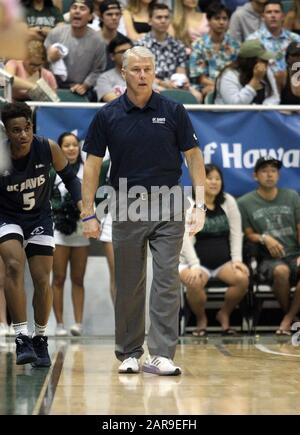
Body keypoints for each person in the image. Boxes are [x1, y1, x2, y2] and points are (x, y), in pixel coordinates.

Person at [81, 46, 206, 375]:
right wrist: (88, 212)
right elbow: (92, 166)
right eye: (135, 69)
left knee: (166, 280)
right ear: (123, 73)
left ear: (154, 72)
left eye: (148, 69)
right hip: (126, 201)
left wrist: (201, 205)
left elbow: (194, 158)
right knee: (129, 282)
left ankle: (163, 353)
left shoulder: (174, 110)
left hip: (169, 201)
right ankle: (129, 354)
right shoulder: (107, 115)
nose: (142, 75)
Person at [0, 102, 82, 366]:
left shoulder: (48, 148)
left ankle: (40, 338)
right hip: (7, 216)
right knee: (13, 265)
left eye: (27, 128)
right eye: (16, 130)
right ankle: (22, 335)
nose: (23, 135)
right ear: (7, 132)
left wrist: (83, 203)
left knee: (41, 279)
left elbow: (70, 177)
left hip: (39, 217)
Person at [179, 164, 249, 336]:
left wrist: (237, 260)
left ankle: (224, 314)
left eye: (217, 179)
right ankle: (201, 318)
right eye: (209, 178)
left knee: (242, 279)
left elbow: (236, 233)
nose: (213, 182)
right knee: (194, 282)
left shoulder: (228, 201)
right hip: (194, 262)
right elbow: (184, 238)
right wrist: (194, 265)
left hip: (223, 263)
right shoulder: (189, 203)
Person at [238, 156, 300, 335]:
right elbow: (249, 235)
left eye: (273, 171)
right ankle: (291, 318)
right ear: (255, 176)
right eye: (264, 171)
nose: (270, 175)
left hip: (294, 254)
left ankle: (288, 318)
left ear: (278, 175)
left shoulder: (292, 196)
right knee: (282, 272)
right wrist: (265, 238)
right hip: (268, 259)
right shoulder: (245, 202)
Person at [51, 132, 89, 336]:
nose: (71, 149)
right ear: (60, 149)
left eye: (74, 145)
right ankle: (59, 324)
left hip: (81, 232)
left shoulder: (86, 170)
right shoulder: (53, 171)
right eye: (66, 145)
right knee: (58, 278)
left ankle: (78, 323)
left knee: (78, 278)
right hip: (58, 232)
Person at [214, 39, 280, 105]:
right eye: (262, 60)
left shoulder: (266, 70)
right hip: (232, 114)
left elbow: (274, 96)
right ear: (251, 61)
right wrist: (255, 80)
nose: (267, 62)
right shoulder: (229, 75)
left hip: (259, 114)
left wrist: (264, 108)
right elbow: (235, 104)